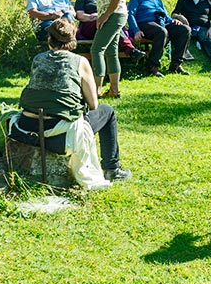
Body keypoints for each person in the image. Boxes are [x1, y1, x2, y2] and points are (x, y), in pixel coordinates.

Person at [9, 19, 131, 185]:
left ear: (49, 39)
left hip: (26, 128)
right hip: (59, 135)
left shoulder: (38, 59)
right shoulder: (80, 62)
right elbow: (94, 104)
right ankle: (112, 168)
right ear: (72, 40)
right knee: (107, 111)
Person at [127, 0, 191, 77]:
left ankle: (176, 64)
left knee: (184, 29)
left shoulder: (158, 0)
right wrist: (136, 30)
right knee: (161, 31)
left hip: (160, 24)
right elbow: (130, 13)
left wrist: (173, 21)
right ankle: (152, 66)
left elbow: (166, 17)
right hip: (145, 24)